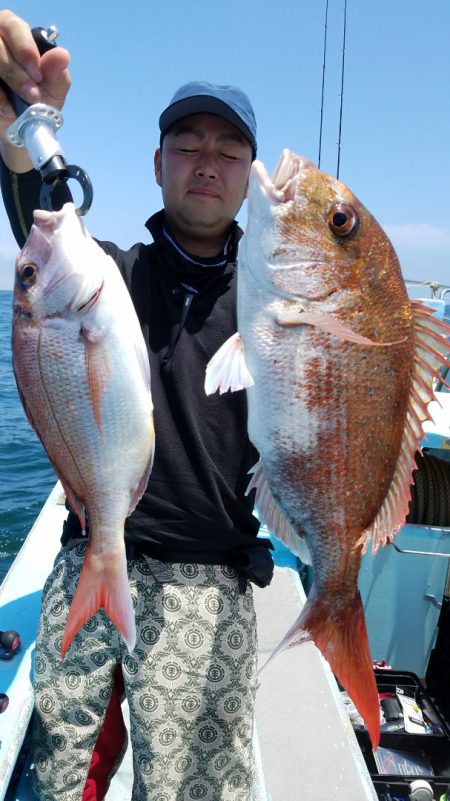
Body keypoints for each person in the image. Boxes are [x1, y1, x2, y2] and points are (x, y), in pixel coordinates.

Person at [0, 10, 274, 801]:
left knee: (194, 787)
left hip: (208, 577)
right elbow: (31, 198)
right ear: (157, 164)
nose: (205, 163)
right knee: (55, 775)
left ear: (249, 173)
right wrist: (26, 114)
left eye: (227, 150)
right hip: (91, 548)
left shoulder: (272, 306)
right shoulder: (107, 276)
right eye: (187, 145)